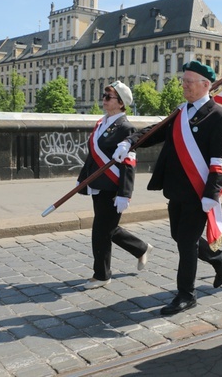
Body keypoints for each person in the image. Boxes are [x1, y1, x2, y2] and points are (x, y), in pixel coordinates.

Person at [114, 60, 222, 315]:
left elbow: (221, 160)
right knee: (179, 237)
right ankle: (220, 259)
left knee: (187, 243)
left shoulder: (219, 116)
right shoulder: (181, 112)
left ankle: (186, 294)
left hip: (198, 192)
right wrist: (130, 141)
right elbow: (154, 132)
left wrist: (212, 194)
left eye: (189, 82)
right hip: (176, 189)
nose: (184, 86)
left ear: (205, 85)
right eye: (184, 81)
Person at [77, 81, 153, 290]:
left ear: (121, 103)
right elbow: (93, 153)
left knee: (101, 231)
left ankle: (102, 275)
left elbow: (129, 163)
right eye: (104, 95)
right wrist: (83, 176)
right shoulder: (102, 123)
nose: (104, 99)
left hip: (113, 187)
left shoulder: (126, 128)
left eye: (108, 97)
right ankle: (140, 248)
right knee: (107, 228)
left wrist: (124, 193)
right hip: (98, 184)